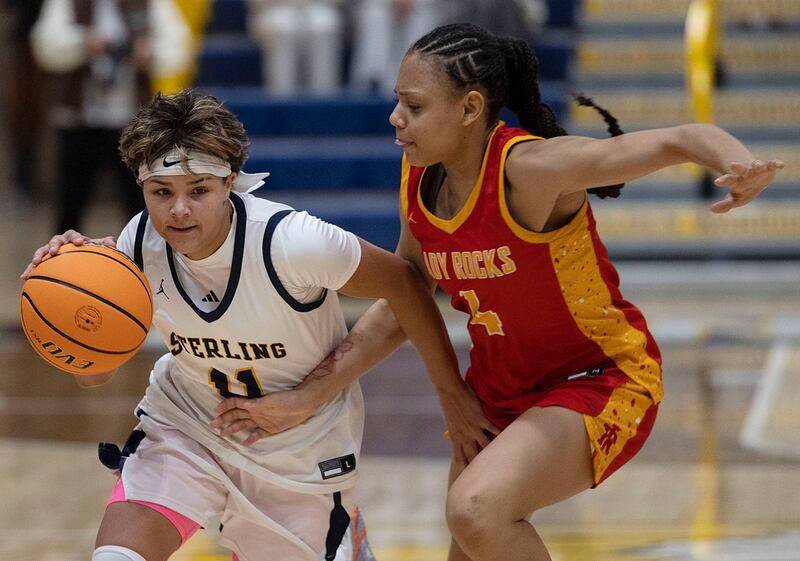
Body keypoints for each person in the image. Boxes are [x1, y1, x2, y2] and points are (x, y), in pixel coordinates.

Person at [209, 22, 785, 561]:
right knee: (472, 536)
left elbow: (680, 138)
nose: (395, 118)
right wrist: (310, 395)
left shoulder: (532, 170)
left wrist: (739, 163)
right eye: (398, 102)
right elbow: (405, 301)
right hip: (497, 394)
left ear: (470, 108)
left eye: (413, 106)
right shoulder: (419, 175)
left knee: (475, 510)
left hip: (598, 378)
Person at [20, 88, 471, 561]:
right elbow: (95, 375)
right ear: (141, 185)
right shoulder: (138, 243)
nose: (178, 209)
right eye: (161, 192)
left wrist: (447, 396)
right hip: (187, 426)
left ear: (229, 182)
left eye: (199, 190)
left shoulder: (293, 243)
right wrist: (71, 296)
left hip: (297, 448)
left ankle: (346, 539)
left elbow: (408, 287)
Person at [30, 0, 192, 232]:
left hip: (133, 125)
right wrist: (85, 42)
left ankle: (144, 253)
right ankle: (64, 255)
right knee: (70, 206)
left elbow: (178, 46)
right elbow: (45, 44)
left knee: (142, 206)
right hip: (79, 121)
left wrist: (148, 52)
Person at [247, 0, 344, 94]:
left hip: (321, 6)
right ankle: (282, 98)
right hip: (273, 9)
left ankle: (324, 97)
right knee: (283, 27)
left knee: (324, 25)